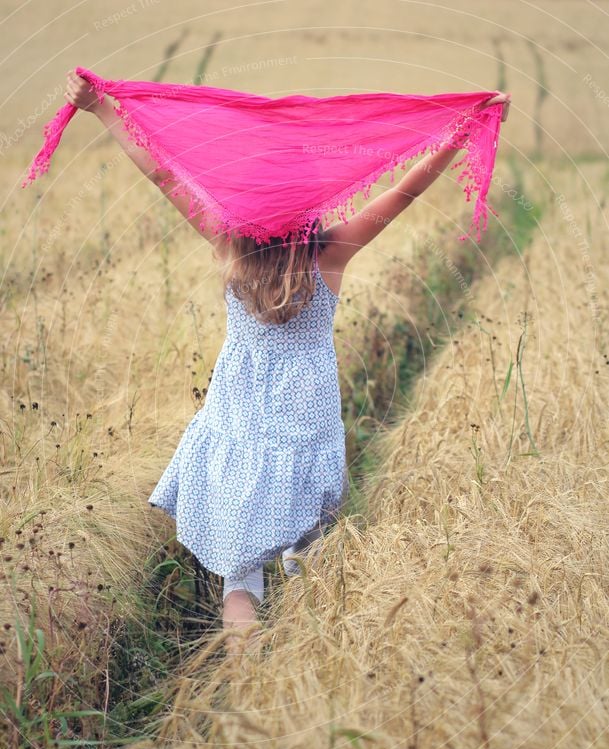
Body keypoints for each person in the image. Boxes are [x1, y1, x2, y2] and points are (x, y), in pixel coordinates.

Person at [64, 70, 510, 657]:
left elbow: (163, 173)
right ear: (315, 202)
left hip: (240, 413)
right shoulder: (333, 253)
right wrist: (458, 132)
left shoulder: (227, 244)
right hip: (307, 414)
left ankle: (245, 680)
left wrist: (102, 110)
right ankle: (307, 667)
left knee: (240, 582)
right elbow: (404, 194)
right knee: (310, 560)